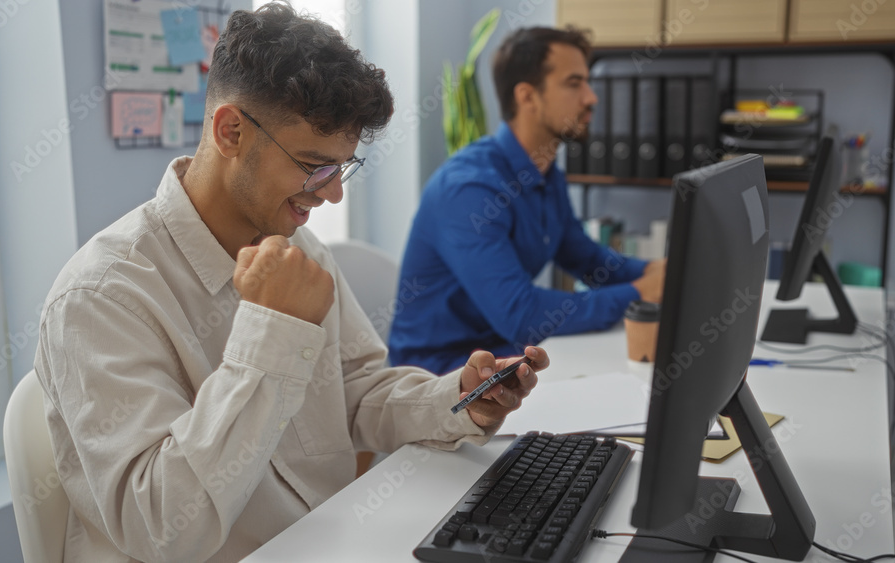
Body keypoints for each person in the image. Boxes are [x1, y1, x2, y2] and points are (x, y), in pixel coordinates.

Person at [33, 5, 545, 562]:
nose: (332, 195)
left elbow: (355, 394)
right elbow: (162, 528)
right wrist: (271, 333)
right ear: (230, 131)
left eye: (342, 167)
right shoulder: (101, 296)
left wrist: (459, 402)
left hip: (329, 543)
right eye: (313, 165)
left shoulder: (299, 248)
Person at [388, 26, 665, 375]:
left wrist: (657, 272)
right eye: (574, 83)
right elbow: (522, 316)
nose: (591, 97)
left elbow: (588, 260)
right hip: (439, 377)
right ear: (527, 96)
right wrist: (640, 291)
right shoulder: (470, 189)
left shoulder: (547, 173)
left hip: (504, 358)